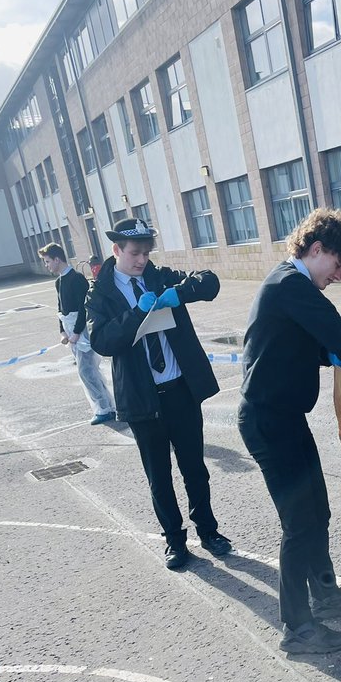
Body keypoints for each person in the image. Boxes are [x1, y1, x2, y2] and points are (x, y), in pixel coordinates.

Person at [239, 207, 341, 654]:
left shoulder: (289, 284)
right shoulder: (290, 284)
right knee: (298, 523)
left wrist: (337, 359)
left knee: (317, 513)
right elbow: (335, 331)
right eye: (338, 264)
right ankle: (298, 629)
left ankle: (324, 596)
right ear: (317, 248)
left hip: (285, 417)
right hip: (269, 422)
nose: (339, 275)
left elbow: (308, 342)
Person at [87, 217, 232, 571]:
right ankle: (175, 541)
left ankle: (209, 531)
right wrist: (136, 313)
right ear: (117, 250)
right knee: (159, 475)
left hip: (179, 388)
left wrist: (178, 293)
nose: (141, 261)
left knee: (195, 468)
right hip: (141, 397)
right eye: (135, 253)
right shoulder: (100, 292)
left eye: (146, 253)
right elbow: (102, 341)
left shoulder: (158, 275)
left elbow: (209, 283)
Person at [38, 242, 116, 426]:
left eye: (48, 261)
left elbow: (84, 308)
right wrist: (62, 331)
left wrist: (77, 332)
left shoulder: (77, 279)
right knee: (88, 371)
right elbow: (60, 309)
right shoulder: (59, 281)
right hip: (72, 333)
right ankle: (106, 407)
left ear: (57, 259)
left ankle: (105, 408)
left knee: (86, 371)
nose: (46, 265)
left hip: (82, 333)